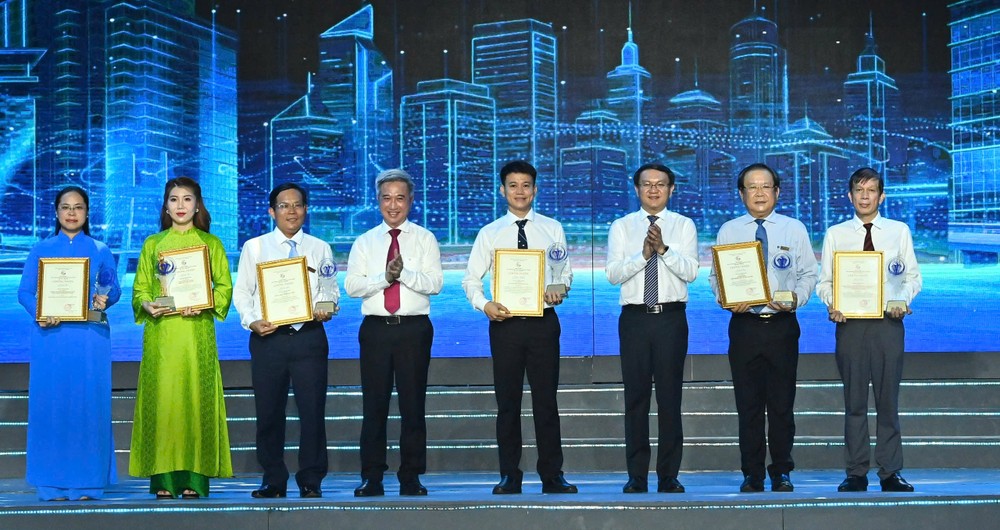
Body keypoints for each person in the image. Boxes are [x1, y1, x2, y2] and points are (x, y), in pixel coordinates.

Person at [462, 160, 577, 495]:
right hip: (505, 324)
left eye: (526, 185)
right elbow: (471, 279)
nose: (520, 191)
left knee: (546, 402)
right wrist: (485, 305)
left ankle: (552, 475)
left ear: (535, 189)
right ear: (503, 190)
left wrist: (560, 287)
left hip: (543, 322)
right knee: (508, 402)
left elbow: (563, 271)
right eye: (513, 185)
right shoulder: (490, 233)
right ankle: (510, 474)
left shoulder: (552, 228)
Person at [708, 163, 818, 493]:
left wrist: (797, 298)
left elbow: (809, 274)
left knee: (782, 403)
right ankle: (752, 472)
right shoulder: (729, 230)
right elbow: (716, 277)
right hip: (744, 326)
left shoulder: (793, 228)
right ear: (741, 193)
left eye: (765, 186)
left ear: (777, 192)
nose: (759, 192)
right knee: (749, 404)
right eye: (751, 187)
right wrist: (726, 299)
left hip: (782, 326)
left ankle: (781, 470)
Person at [817, 167, 921, 493]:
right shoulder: (836, 233)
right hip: (850, 326)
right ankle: (856, 472)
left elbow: (912, 278)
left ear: (882, 196)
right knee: (855, 402)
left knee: (888, 400)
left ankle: (890, 472)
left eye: (871, 190)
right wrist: (833, 303)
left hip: (889, 325)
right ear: (849, 196)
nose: (865, 196)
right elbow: (825, 282)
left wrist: (900, 301)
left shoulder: (898, 231)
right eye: (859, 191)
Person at [130, 176, 233, 499]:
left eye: (187, 199)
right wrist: (146, 303)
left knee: (194, 401)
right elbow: (141, 290)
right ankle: (163, 482)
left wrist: (202, 302)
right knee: (164, 403)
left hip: (196, 334)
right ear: (166, 205)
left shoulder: (211, 244)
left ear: (197, 205)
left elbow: (224, 288)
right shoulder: (153, 244)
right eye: (174, 200)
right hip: (162, 335)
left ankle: (194, 480)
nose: (180, 206)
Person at [233, 182, 337, 499]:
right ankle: (273, 479)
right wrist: (252, 322)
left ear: (306, 209)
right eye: (283, 205)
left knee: (312, 412)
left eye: (297, 205)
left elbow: (330, 290)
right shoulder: (255, 247)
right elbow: (243, 293)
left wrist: (325, 308)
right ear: (271, 211)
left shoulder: (320, 248)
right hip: (269, 339)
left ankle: (311, 479)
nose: (291, 211)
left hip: (308, 338)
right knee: (268, 413)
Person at [17, 186, 121, 501]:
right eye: (65, 207)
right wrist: (40, 311)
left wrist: (105, 299)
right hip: (51, 337)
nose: (72, 213)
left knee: (88, 405)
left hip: (90, 339)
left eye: (78, 207)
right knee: (53, 405)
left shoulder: (100, 249)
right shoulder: (40, 249)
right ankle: (50, 483)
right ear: (57, 212)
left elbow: (113, 290)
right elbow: (24, 292)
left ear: (87, 213)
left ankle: (88, 482)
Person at [346, 169, 443, 497]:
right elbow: (352, 286)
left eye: (400, 197)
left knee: (413, 405)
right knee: (374, 405)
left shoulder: (425, 238)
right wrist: (385, 279)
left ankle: (411, 476)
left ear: (411, 201)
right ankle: (371, 476)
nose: (393, 204)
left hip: (414, 329)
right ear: (378, 201)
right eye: (386, 197)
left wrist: (406, 274)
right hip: (375, 330)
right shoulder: (365, 241)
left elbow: (436, 284)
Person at [606, 163, 697, 494]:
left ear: (672, 189)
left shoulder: (684, 225)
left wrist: (663, 250)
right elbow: (614, 275)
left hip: (671, 318)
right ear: (636, 189)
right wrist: (643, 255)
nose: (654, 190)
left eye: (661, 184)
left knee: (671, 398)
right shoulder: (622, 226)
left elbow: (690, 272)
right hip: (634, 319)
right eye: (647, 184)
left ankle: (669, 475)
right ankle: (637, 475)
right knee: (636, 398)